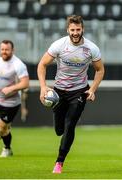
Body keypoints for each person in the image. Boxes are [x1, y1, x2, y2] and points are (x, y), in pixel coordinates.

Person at [37, 15, 104, 173]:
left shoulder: (91, 48)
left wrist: (92, 89)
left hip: (79, 91)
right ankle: (63, 130)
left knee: (70, 126)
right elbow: (42, 64)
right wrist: (42, 87)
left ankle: (59, 162)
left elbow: (100, 70)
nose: (75, 33)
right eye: (72, 30)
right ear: (67, 29)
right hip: (59, 91)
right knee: (59, 130)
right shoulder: (59, 45)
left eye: (78, 29)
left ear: (83, 29)